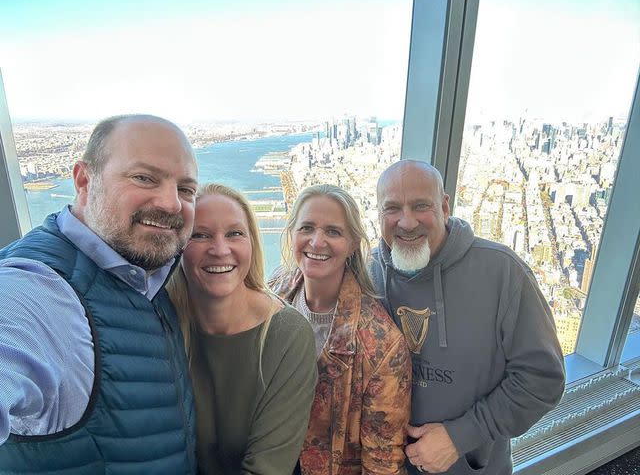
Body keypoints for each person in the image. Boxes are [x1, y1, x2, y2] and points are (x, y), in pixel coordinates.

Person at [0, 114, 199, 473]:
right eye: (144, 178)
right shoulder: (39, 289)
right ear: (84, 180)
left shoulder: (148, 275)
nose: (171, 204)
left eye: (186, 189)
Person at [370, 159, 566, 475]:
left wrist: (461, 436)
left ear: (445, 206)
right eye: (392, 208)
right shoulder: (369, 275)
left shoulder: (503, 272)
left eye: (421, 205)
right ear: (378, 213)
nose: (406, 222)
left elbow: (543, 378)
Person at [167, 183, 317, 474]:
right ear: (179, 246)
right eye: (200, 235)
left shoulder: (286, 334)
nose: (220, 249)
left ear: (252, 243)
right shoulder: (161, 323)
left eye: (235, 233)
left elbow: (267, 468)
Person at [270, 184, 412, 475]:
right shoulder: (272, 295)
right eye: (306, 227)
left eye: (333, 231)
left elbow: (382, 461)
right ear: (292, 234)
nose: (316, 241)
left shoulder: (380, 344)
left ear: (352, 244)